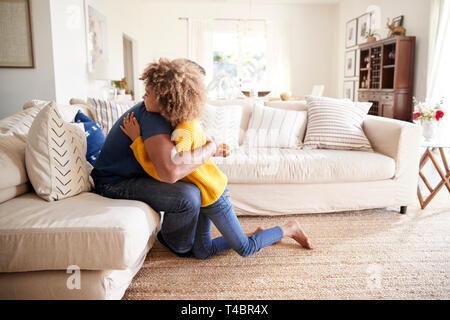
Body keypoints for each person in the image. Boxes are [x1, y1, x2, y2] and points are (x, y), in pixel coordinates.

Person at [120, 58, 313, 260]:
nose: (143, 96)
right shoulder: (186, 120)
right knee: (203, 252)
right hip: (203, 195)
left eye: (148, 93)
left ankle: (289, 228)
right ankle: (256, 233)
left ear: (166, 98)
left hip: (214, 194)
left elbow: (166, 170)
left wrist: (137, 142)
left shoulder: (183, 131)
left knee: (245, 248)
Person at [90, 60, 217, 257]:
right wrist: (211, 148)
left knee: (199, 186)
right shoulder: (152, 115)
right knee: (188, 196)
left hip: (137, 174)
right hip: (113, 182)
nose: (142, 96)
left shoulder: (172, 111)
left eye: (148, 92)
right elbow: (171, 171)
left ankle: (196, 238)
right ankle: (178, 245)